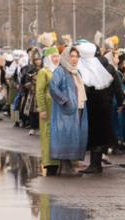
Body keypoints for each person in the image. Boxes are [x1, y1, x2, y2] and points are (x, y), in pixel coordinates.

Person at [76, 41, 125, 174]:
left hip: (93, 106)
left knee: (95, 135)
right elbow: (118, 87)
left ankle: (95, 165)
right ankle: (96, 163)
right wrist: (120, 103)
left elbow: (85, 88)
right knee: (103, 133)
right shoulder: (109, 67)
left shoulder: (88, 67)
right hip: (107, 105)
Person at [49, 45, 89, 175]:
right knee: (65, 136)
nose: (74, 59)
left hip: (78, 109)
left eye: (77, 56)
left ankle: (67, 166)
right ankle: (65, 167)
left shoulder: (77, 72)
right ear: (66, 57)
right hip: (65, 112)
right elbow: (53, 88)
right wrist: (65, 100)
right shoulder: (60, 71)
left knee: (73, 136)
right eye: (72, 56)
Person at [36, 47, 59, 175]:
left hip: (58, 107)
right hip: (48, 108)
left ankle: (58, 160)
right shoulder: (44, 72)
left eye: (57, 56)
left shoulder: (59, 70)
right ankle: (49, 162)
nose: (56, 59)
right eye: (53, 57)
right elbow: (39, 91)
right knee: (47, 134)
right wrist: (42, 109)